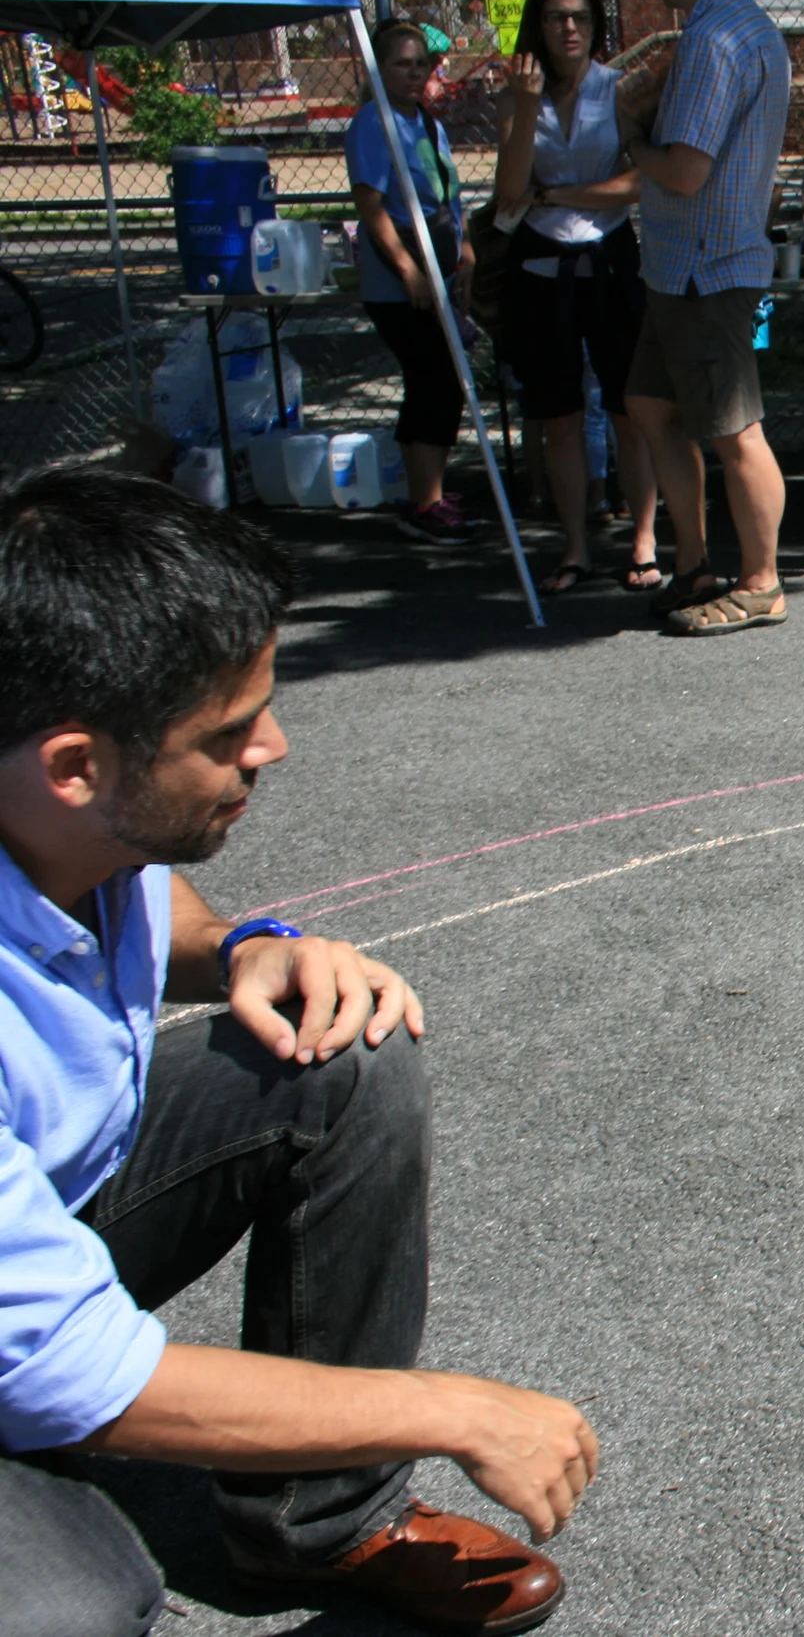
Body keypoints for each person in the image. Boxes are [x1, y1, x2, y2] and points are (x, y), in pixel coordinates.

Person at [0, 469, 597, 1635]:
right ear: (78, 764)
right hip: (27, 1314)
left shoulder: (58, 807)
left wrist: (242, 946)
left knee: (343, 1049)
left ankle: (323, 1522)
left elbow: (137, 895)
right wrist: (447, 1409)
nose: (274, 746)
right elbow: (72, 1367)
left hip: (39, 1226)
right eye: (229, 734)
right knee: (75, 1602)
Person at [616, 0, 793, 636]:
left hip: (704, 270)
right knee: (651, 406)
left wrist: (633, 136)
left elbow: (686, 171)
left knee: (735, 431)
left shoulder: (714, 38)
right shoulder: (738, 27)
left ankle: (761, 582)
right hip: (685, 268)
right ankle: (694, 567)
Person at [492, 0, 667, 596]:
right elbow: (509, 193)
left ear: (597, 28)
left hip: (611, 262)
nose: (569, 29)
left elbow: (638, 183)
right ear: (536, 27)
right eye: (556, 17)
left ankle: (644, 540)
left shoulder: (618, 91)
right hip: (543, 267)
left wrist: (559, 192)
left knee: (630, 408)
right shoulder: (519, 94)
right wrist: (522, 106)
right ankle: (574, 547)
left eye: (581, 18)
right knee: (559, 415)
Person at [347, 19, 478, 548]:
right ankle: (423, 503)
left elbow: (446, 197)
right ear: (381, 69)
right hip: (402, 283)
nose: (413, 72)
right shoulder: (373, 125)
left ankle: (432, 492)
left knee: (443, 383)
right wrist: (408, 270)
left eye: (419, 63)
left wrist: (464, 247)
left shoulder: (426, 123)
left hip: (441, 271)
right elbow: (372, 209)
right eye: (401, 63)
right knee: (432, 380)